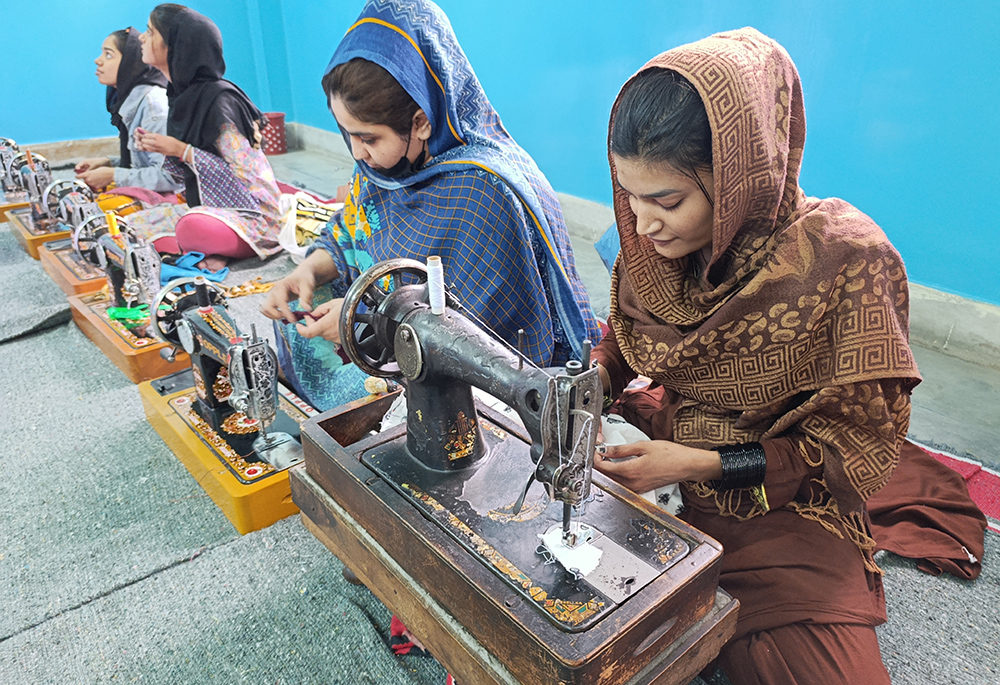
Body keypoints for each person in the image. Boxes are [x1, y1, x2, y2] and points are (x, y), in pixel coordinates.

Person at [590, 29, 986, 684]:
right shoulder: (649, 240)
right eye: (627, 195)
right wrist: (599, 378)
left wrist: (695, 463)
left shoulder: (847, 264)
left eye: (666, 201)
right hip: (678, 436)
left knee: (802, 666)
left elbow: (837, 451)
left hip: (792, 489)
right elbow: (628, 332)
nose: (643, 222)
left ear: (742, 176)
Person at [261, 0, 600, 411]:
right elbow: (350, 231)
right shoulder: (382, 168)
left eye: (368, 138)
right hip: (392, 321)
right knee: (300, 310)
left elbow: (477, 338)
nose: (357, 153)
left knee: (408, 412)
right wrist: (306, 270)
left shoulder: (483, 192)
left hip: (463, 369)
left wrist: (364, 327)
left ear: (421, 121)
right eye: (346, 133)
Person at [125, 3, 282, 271]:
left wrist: (181, 150)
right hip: (213, 209)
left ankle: (210, 245)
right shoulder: (182, 94)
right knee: (132, 223)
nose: (141, 37)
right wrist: (162, 148)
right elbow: (187, 178)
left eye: (150, 32)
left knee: (191, 226)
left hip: (254, 217)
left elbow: (246, 176)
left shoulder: (218, 100)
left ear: (175, 45)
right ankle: (212, 249)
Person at [75, 27, 182, 201]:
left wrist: (113, 175)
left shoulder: (153, 105)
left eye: (108, 55)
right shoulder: (130, 100)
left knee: (101, 209)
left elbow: (171, 176)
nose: (97, 61)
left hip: (176, 201)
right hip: (155, 196)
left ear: (130, 63)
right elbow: (145, 162)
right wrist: (110, 163)